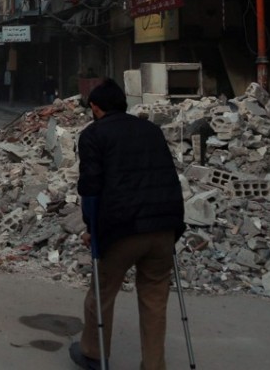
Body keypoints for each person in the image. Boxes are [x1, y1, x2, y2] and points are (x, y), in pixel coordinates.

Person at [70, 78, 184, 370]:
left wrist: (92, 229)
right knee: (155, 297)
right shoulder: (152, 130)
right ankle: (154, 364)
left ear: (95, 108)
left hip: (122, 229)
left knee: (102, 291)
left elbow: (91, 188)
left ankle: (94, 353)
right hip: (164, 226)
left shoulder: (93, 135)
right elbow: (169, 178)